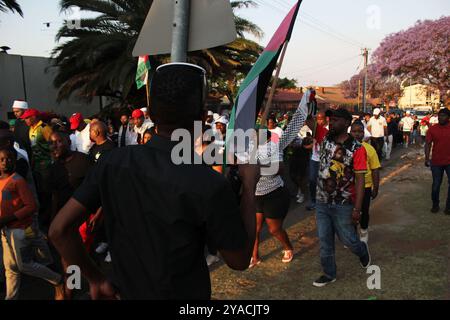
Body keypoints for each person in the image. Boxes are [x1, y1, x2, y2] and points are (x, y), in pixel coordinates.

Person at [49, 62, 259, 300]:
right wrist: (249, 186)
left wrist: (96, 279)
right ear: (202, 118)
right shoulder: (208, 183)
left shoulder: (112, 162)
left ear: (150, 114)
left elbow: (59, 230)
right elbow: (239, 260)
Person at [312, 108, 371, 287]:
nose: (332, 122)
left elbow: (360, 180)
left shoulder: (357, 149)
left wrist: (357, 209)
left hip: (343, 204)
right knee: (324, 240)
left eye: (336, 120)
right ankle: (329, 274)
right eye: (331, 119)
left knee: (349, 240)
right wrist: (309, 101)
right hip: (322, 201)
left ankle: (362, 251)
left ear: (346, 124)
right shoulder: (325, 138)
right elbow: (311, 123)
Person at [0, 148, 65, 300]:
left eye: (9, 159)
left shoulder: (17, 181)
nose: (5, 162)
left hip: (20, 230)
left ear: (15, 161)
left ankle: (57, 279)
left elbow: (31, 206)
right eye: (1, 159)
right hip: (5, 231)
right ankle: (11, 297)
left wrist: (8, 219)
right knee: (10, 268)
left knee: (24, 265)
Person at [251, 101, 308, 267]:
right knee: (254, 229)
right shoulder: (249, 149)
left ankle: (288, 247)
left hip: (274, 193)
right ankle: (255, 256)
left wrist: (257, 168)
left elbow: (280, 169)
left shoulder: (273, 147)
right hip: (256, 195)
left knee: (274, 229)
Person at [350, 121, 381, 243]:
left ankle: (363, 230)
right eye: (354, 131)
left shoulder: (369, 149)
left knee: (364, 211)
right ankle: (352, 234)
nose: (357, 134)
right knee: (349, 212)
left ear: (364, 133)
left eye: (360, 131)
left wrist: (376, 187)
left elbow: (375, 170)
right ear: (350, 132)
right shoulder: (345, 148)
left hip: (365, 186)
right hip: (349, 187)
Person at [425, 108, 450, 214]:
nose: (441, 117)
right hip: (436, 162)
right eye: (440, 115)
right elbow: (428, 144)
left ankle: (448, 207)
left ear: (448, 117)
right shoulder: (432, 129)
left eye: (443, 115)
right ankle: (435, 204)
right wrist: (426, 158)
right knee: (436, 185)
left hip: (449, 162)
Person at [306, 112, 328, 211]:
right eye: (317, 119)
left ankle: (324, 201)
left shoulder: (327, 130)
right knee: (312, 180)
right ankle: (313, 201)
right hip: (314, 159)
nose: (319, 121)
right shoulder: (315, 130)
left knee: (324, 181)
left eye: (321, 119)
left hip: (325, 160)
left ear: (326, 119)